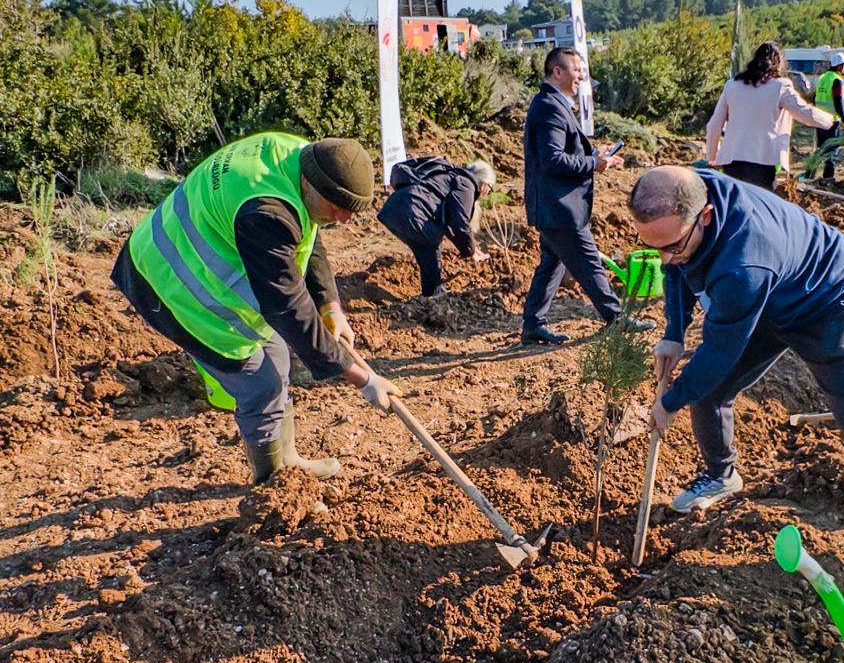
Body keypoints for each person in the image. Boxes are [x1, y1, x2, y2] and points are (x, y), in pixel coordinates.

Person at [632, 166, 844, 577]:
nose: (663, 258)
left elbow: (718, 354)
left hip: (835, 303)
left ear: (704, 216)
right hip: (773, 296)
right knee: (710, 391)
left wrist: (670, 401)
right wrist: (673, 332)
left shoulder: (743, 265)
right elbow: (676, 267)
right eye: (651, 247)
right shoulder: (685, 193)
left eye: (671, 245)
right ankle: (721, 474)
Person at [111, 132, 400, 483]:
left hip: (186, 260)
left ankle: (288, 461)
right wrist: (362, 378)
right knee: (259, 382)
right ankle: (274, 484)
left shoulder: (297, 156)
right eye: (337, 208)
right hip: (167, 284)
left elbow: (310, 232)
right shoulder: (267, 213)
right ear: (311, 183)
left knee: (277, 357)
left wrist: (331, 305)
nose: (343, 220)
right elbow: (286, 305)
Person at [520, 47, 646, 345]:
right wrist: (593, 164)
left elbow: (561, 151)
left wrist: (593, 154)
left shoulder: (552, 103)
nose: (580, 76)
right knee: (588, 262)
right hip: (560, 206)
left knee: (552, 264)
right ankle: (616, 318)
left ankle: (533, 324)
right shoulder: (549, 106)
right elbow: (551, 159)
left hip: (555, 205)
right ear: (558, 71)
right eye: (577, 70)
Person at [704, 40, 833, 190]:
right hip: (762, 162)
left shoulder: (732, 85)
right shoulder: (780, 86)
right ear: (779, 63)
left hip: (731, 161)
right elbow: (805, 113)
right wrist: (830, 120)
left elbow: (713, 126)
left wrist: (712, 158)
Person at [377, 155, 494, 297]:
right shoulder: (466, 185)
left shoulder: (451, 176)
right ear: (484, 184)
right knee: (431, 249)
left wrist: (470, 248)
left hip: (393, 210)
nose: (487, 193)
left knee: (427, 251)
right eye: (490, 189)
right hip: (413, 213)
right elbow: (460, 224)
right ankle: (435, 297)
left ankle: (430, 296)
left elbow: (450, 223)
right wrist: (470, 251)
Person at [809, 52, 844, 181]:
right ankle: (828, 178)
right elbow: (838, 101)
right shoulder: (836, 80)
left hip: (820, 119)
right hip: (832, 121)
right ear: (839, 66)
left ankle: (810, 173)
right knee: (831, 151)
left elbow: (814, 97)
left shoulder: (822, 78)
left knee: (820, 149)